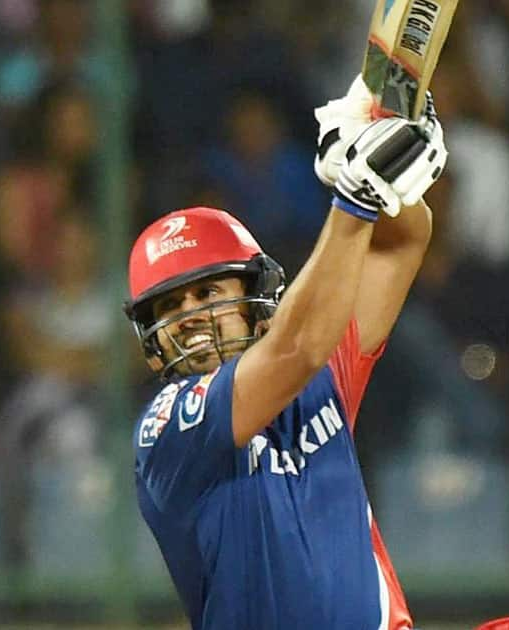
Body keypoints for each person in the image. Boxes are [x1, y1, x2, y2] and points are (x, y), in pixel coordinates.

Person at [124, 75, 447, 629]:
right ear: (153, 341)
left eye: (208, 293)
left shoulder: (322, 373)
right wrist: (357, 193)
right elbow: (295, 346)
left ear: (254, 298)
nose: (192, 316)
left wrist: (381, 164)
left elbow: (401, 243)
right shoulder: (165, 430)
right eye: (170, 308)